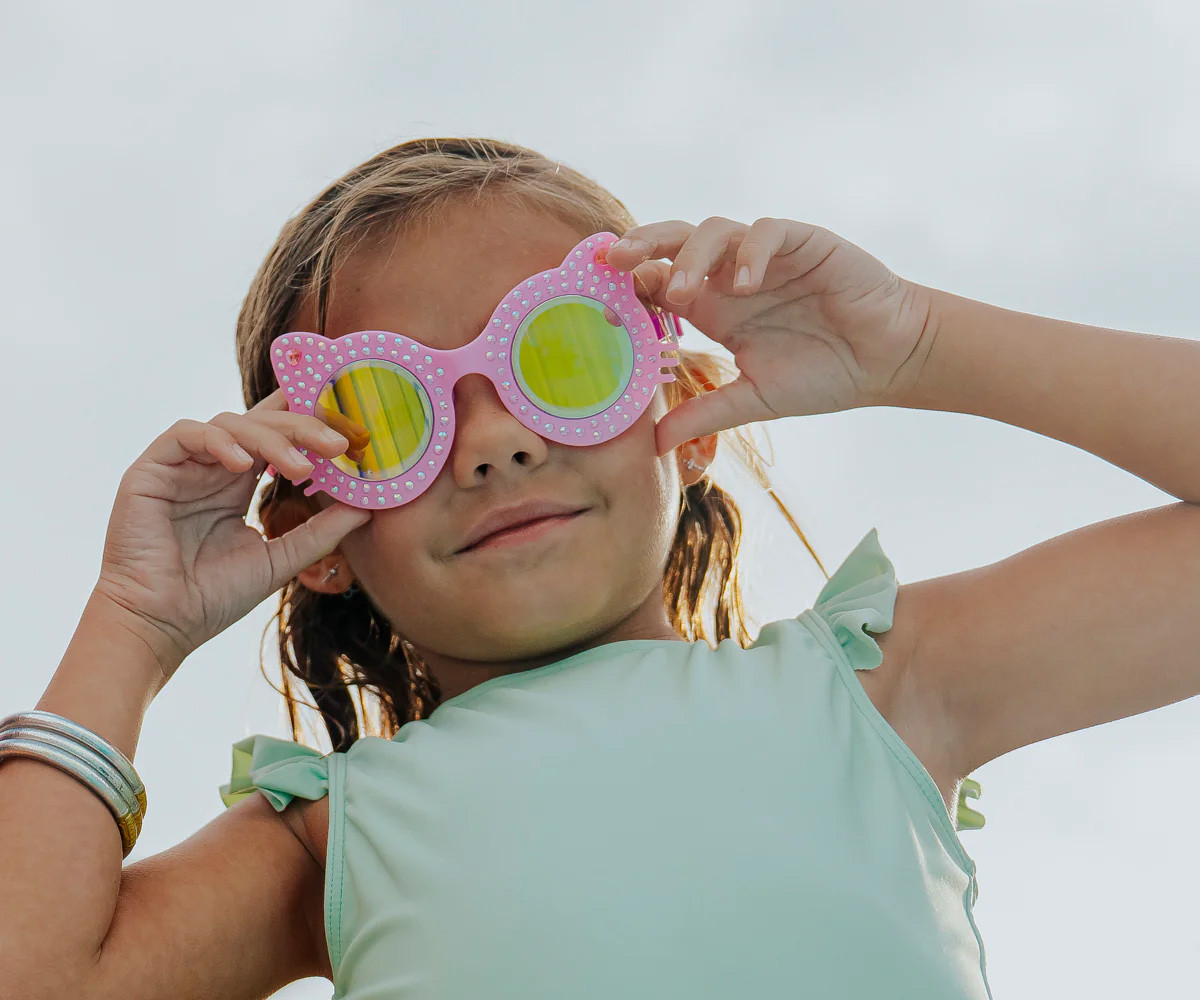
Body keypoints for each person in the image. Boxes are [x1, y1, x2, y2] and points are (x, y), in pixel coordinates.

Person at [7, 135, 1199, 999]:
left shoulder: (881, 690)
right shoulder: (325, 839)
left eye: (560, 356)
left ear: (684, 410)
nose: (493, 441)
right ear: (313, 530)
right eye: (392, 411)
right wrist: (133, 622)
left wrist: (918, 343)